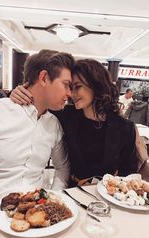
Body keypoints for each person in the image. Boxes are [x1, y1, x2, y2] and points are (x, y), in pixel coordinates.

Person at [11, 58, 138, 187]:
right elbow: (38, 104)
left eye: (77, 87)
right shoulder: (66, 115)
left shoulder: (124, 128)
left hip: (107, 195)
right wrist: (19, 92)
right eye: (70, 88)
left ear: (95, 85)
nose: (72, 94)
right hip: (73, 191)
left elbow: (129, 172)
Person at [0, 49, 75, 206]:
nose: (70, 93)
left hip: (33, 214)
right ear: (44, 78)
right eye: (66, 85)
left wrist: (54, 199)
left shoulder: (54, 123)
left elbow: (62, 167)